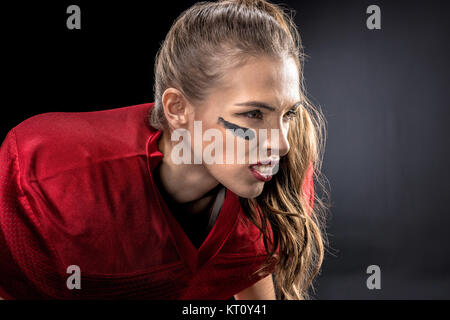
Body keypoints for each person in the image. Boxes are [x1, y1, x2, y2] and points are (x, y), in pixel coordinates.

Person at [0, 0, 328, 300]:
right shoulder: (50, 179)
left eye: (287, 114)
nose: (281, 144)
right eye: (253, 114)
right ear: (177, 109)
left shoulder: (281, 174)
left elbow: (241, 263)